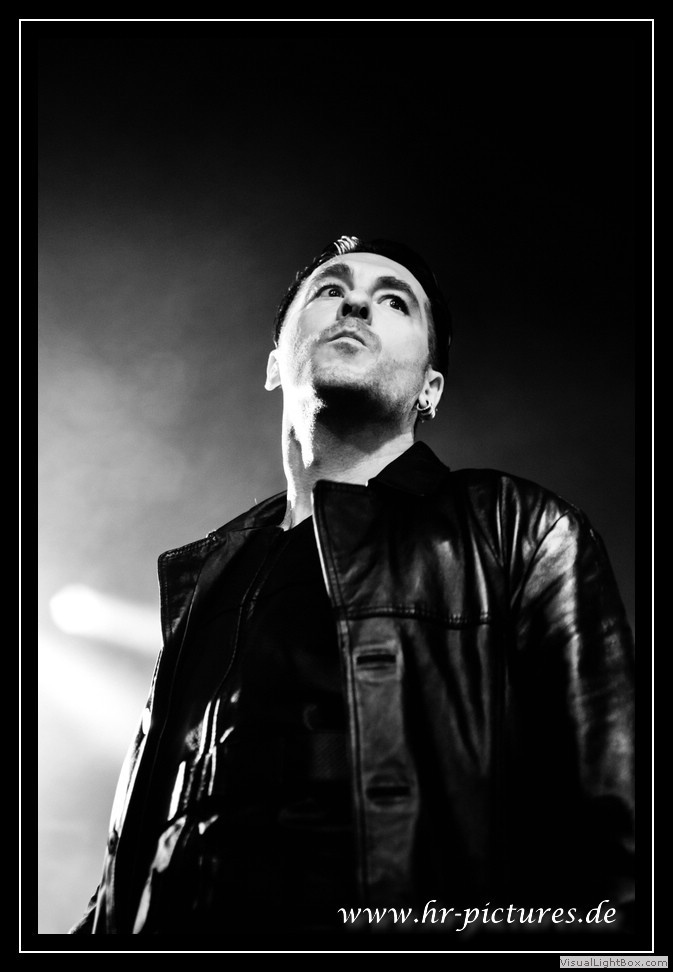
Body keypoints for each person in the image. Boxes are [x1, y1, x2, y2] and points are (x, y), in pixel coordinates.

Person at [70, 234, 635, 944]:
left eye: (394, 302)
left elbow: (614, 837)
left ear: (430, 389)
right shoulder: (206, 581)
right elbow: (126, 871)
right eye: (331, 290)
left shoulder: (517, 528)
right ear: (274, 364)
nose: (358, 304)